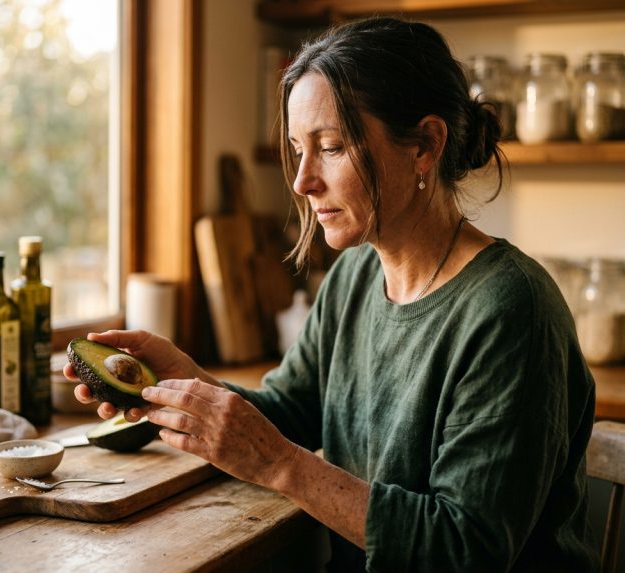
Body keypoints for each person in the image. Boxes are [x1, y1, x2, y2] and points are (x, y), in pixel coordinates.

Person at [65, 17, 598, 572]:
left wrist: (280, 465)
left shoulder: (511, 309)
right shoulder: (354, 277)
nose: (301, 180)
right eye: (299, 149)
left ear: (425, 145)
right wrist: (181, 382)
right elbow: (291, 411)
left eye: (332, 147)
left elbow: (464, 552)